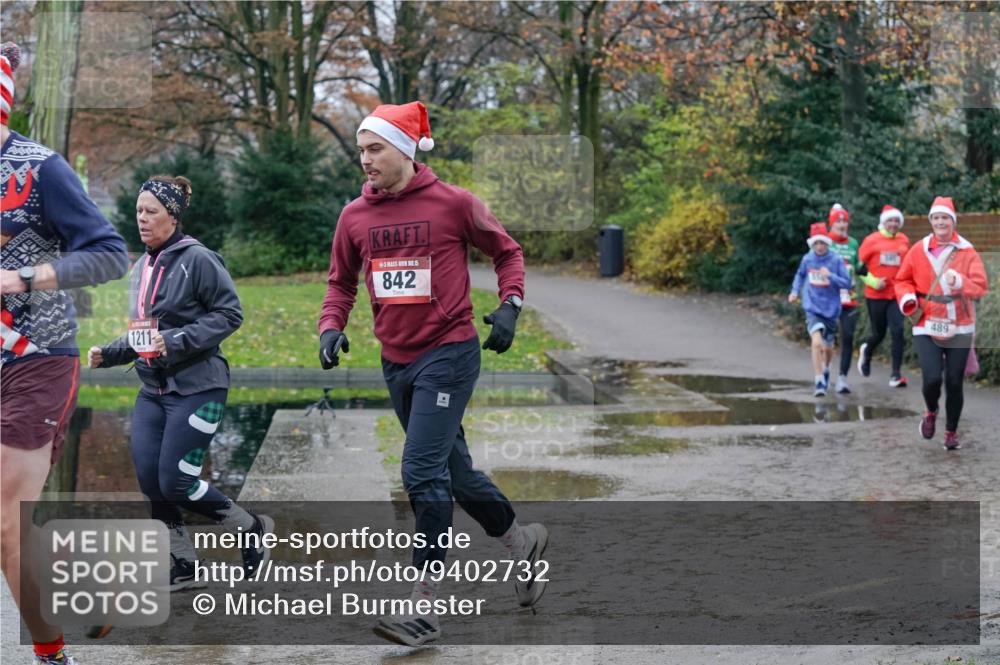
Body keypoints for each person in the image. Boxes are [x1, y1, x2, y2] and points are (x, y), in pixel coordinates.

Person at [318, 101, 548, 647]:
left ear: (405, 150)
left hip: (449, 353)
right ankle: (521, 544)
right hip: (396, 360)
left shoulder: (454, 203)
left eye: (375, 149)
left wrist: (511, 305)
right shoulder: (354, 216)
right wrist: (331, 326)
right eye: (361, 151)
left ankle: (424, 609)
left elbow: (507, 252)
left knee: (421, 471)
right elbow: (340, 282)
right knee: (456, 475)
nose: (365, 160)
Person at [1, 42, 129, 665]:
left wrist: (23, 278)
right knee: (11, 524)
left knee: (5, 518)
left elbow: (110, 254)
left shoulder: (39, 168)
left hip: (37, 356)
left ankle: (51, 653)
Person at [88, 175, 273, 596]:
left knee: (176, 482)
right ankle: (184, 563)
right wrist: (110, 353)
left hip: (198, 386)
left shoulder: (199, 259)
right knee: (151, 482)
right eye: (139, 211)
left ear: (172, 216)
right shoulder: (142, 266)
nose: (142, 218)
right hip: (152, 390)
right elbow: (144, 331)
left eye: (151, 211)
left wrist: (174, 341)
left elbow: (229, 314)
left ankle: (250, 528)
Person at [895, 196, 988, 450]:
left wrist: (961, 283)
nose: (940, 222)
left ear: (953, 221)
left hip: (960, 324)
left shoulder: (967, 251)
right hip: (927, 322)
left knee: (955, 381)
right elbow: (902, 280)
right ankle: (931, 410)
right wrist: (908, 299)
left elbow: (980, 287)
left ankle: (951, 432)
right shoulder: (919, 249)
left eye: (945, 217)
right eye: (936, 218)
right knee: (932, 379)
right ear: (931, 221)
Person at [789, 222, 853, 397]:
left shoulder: (835, 260)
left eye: (822, 243)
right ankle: (819, 381)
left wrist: (830, 275)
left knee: (828, 348)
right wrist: (794, 291)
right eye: (816, 243)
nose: (819, 246)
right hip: (812, 307)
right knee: (816, 343)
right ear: (812, 244)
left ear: (827, 243)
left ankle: (826, 368)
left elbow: (847, 283)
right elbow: (800, 275)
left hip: (831, 309)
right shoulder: (808, 259)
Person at [857, 205, 911, 387]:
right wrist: (874, 282)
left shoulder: (904, 240)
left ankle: (896, 374)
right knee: (878, 334)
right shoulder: (871, 240)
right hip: (876, 295)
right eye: (890, 221)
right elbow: (859, 267)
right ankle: (867, 350)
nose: (893, 224)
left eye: (897, 221)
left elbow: (907, 265)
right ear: (883, 222)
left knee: (898, 331)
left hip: (896, 295)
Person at [826, 203, 865, 394]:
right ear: (831, 224)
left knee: (848, 337)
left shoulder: (853, 243)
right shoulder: (825, 242)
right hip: (827, 298)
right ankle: (824, 373)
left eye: (845, 222)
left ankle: (842, 378)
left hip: (849, 298)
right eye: (838, 222)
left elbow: (859, 267)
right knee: (826, 339)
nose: (842, 226)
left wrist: (868, 273)